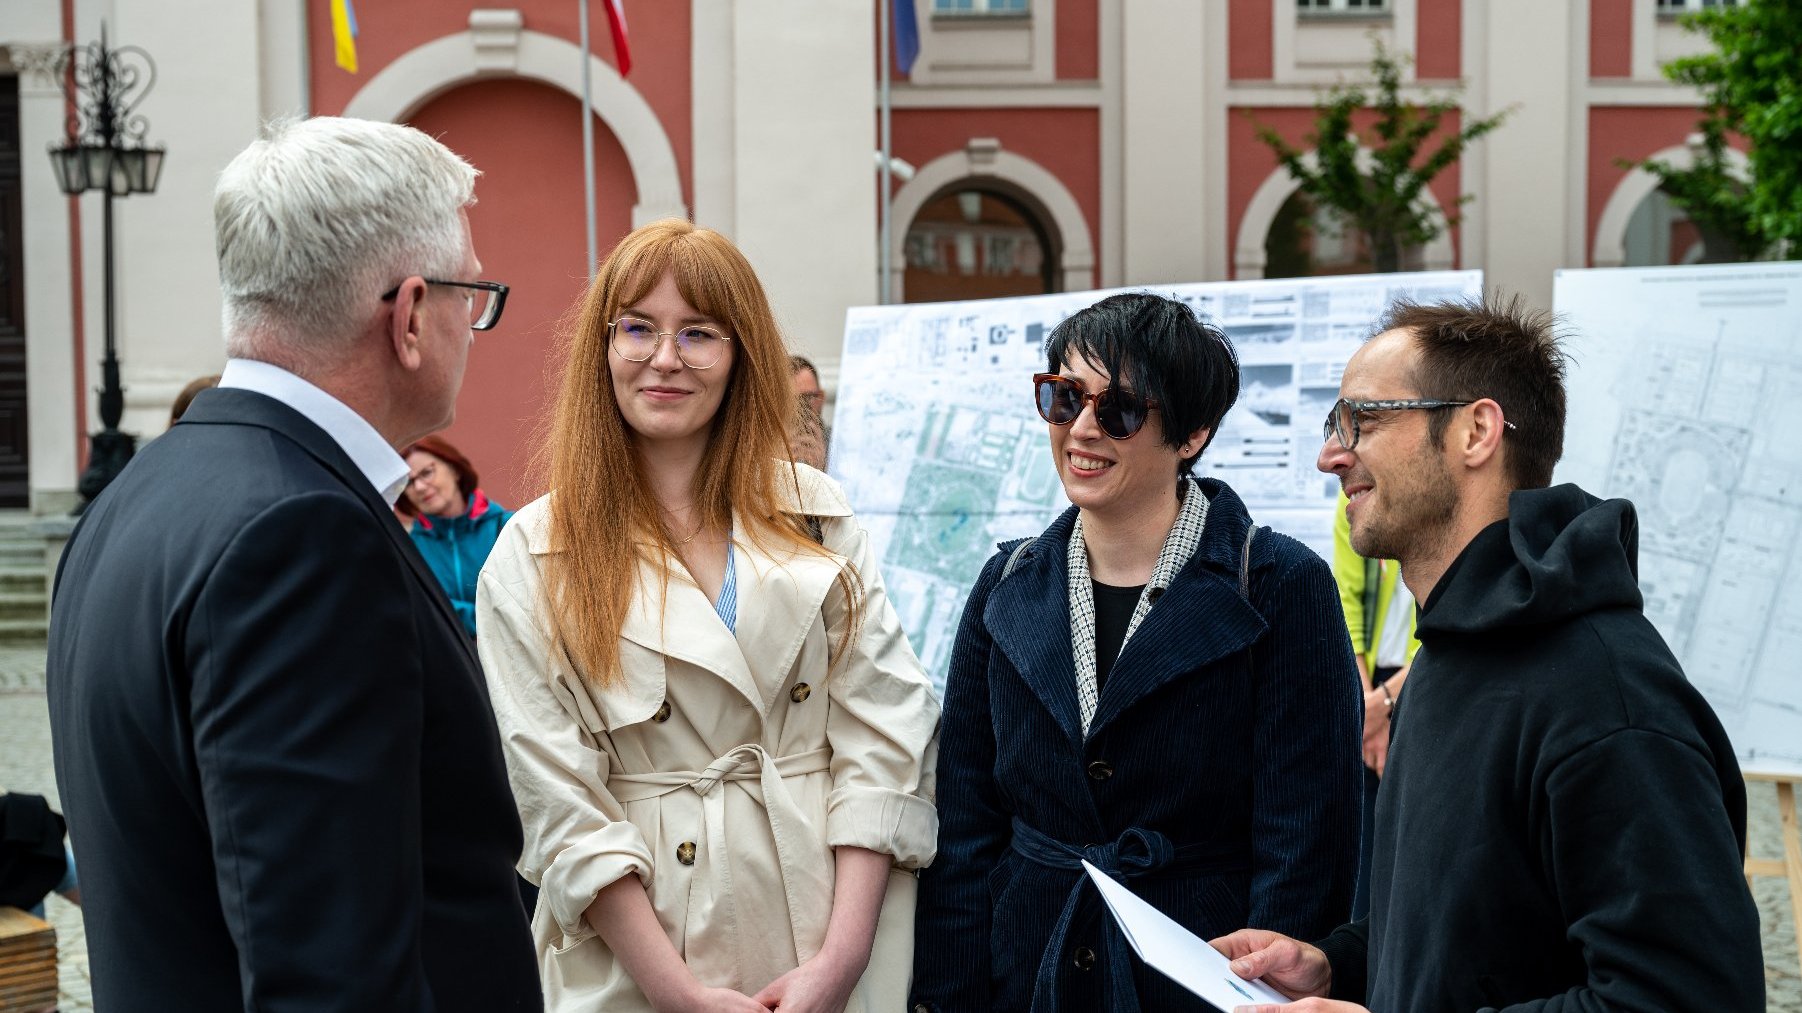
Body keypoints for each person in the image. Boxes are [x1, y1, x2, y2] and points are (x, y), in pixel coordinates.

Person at [46, 117, 539, 1011]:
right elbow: (329, 971)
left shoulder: (139, 489)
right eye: (472, 294)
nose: (478, 323)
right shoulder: (304, 536)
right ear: (411, 315)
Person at [1213, 296, 1764, 1012]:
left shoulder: (1604, 692)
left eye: (1364, 420)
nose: (1330, 454)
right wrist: (1340, 965)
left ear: (1476, 431)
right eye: (1334, 423)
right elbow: (1476, 926)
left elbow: (1687, 995)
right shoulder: (1450, 652)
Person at [477, 218, 939, 1012]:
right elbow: (555, 798)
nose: (666, 357)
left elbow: (886, 735)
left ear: (739, 355)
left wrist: (842, 957)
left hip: (826, 927)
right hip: (639, 960)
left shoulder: (814, 513)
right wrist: (680, 993)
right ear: (603, 347)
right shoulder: (534, 551)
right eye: (639, 329)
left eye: (698, 332)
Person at [911, 292, 1362, 1013]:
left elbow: (1305, 840)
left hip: (1205, 975)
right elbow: (964, 829)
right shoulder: (1006, 582)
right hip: (1028, 969)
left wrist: (1269, 992)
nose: (1082, 429)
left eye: (1118, 409)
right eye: (1062, 398)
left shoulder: (1277, 584)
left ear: (1191, 435)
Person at [1329, 489, 1418, 920]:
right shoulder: (1356, 502)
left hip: (1422, 676)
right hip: (1368, 683)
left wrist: (1382, 704)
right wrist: (1367, 703)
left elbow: (1447, 630)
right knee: (1364, 831)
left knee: (1413, 828)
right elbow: (1346, 601)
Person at [400, 434, 515, 638]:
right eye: (409, 483)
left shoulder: (507, 528)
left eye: (427, 473)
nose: (419, 487)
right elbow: (422, 612)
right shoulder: (408, 549)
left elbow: (522, 604)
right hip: (452, 667)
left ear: (454, 470)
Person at [792, 353, 832, 463]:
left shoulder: (840, 444)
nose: (801, 407)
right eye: (792, 400)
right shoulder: (765, 446)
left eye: (808, 397)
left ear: (821, 397)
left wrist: (823, 468)